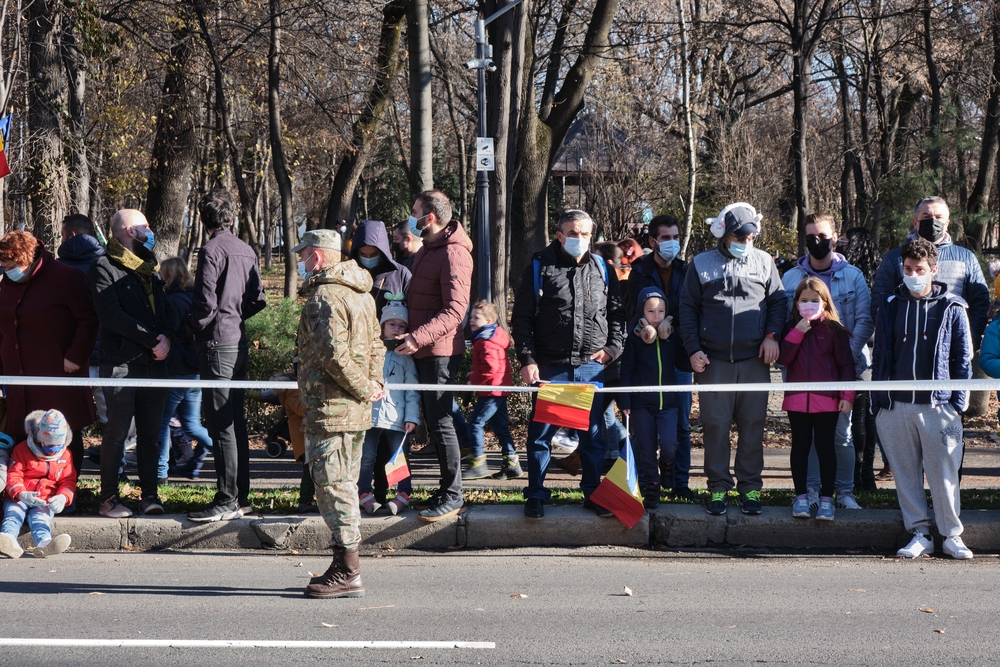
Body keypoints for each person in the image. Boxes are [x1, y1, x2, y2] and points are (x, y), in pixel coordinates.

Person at [511, 209, 626, 520]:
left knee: (594, 435)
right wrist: (528, 359)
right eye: (573, 233)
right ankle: (535, 494)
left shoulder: (603, 268)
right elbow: (521, 319)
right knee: (541, 436)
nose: (579, 239)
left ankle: (592, 493)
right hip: (551, 367)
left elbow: (617, 315)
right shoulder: (539, 267)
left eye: (585, 234)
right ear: (559, 235)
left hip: (592, 367)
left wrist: (612, 349)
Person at [679, 202, 787, 516]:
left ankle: (750, 488)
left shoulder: (766, 262)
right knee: (715, 426)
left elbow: (778, 304)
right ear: (725, 234)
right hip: (712, 362)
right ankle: (717, 488)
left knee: (753, 425)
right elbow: (687, 310)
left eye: (750, 238)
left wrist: (772, 336)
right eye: (740, 238)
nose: (745, 244)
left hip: (754, 360)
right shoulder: (700, 264)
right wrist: (693, 348)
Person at [293, 229, 383, 598]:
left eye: (303, 254)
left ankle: (348, 571)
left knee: (333, 487)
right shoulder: (360, 294)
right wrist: (372, 385)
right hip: (352, 408)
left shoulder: (325, 296)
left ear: (317, 256)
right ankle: (345, 563)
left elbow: (333, 355)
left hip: (332, 408)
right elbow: (377, 343)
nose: (300, 260)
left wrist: (364, 387)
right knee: (343, 485)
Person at [872, 237, 973, 559]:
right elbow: (881, 357)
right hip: (896, 405)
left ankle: (951, 535)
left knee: (944, 475)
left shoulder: (952, 307)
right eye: (907, 268)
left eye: (919, 269)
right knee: (905, 474)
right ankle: (919, 533)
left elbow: (962, 358)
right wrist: (879, 404)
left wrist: (955, 403)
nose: (913, 274)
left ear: (933, 270)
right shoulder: (889, 306)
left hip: (937, 407)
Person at [780, 213, 873, 511]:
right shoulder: (791, 278)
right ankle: (808, 492)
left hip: (845, 367)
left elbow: (864, 319)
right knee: (805, 441)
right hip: (800, 374)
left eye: (822, 236)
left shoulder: (853, 275)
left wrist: (845, 351)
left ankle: (843, 492)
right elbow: (784, 323)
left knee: (840, 435)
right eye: (811, 237)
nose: (817, 242)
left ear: (835, 237)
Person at [87, 209, 175, 518]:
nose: (150, 230)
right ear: (127, 230)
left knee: (151, 436)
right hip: (121, 364)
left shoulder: (149, 269)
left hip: (155, 365)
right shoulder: (103, 268)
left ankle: (149, 496)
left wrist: (167, 337)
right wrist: (152, 340)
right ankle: (109, 499)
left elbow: (166, 312)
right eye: (145, 226)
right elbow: (111, 316)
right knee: (117, 434)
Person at [187, 189, 267, 523]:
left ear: (204, 218)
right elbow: (258, 299)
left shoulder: (211, 249)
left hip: (217, 344)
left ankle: (227, 498)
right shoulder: (246, 249)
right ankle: (240, 496)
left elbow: (204, 304)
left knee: (221, 424)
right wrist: (233, 315)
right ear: (231, 217)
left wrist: (191, 328)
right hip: (238, 342)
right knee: (235, 421)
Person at [393, 190, 473, 522]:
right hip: (424, 349)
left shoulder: (454, 254)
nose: (411, 216)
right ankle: (446, 489)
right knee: (436, 422)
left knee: (441, 424)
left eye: (415, 212)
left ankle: (454, 494)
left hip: (438, 352)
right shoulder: (429, 248)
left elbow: (455, 311)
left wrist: (418, 337)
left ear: (430, 218)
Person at [0, 230, 99, 477]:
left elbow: (89, 320)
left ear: (26, 259)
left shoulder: (66, 277)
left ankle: (66, 487)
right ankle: (24, 488)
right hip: (18, 374)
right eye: (3, 266)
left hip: (57, 372)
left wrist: (75, 356)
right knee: (22, 432)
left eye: (11, 265)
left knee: (61, 430)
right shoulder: (6, 285)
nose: (6, 270)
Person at [625, 215, 695, 499]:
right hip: (646, 359)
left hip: (675, 356)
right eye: (666, 238)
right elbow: (634, 310)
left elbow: (691, 306)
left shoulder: (684, 270)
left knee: (680, 427)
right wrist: (649, 328)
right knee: (643, 433)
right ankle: (649, 485)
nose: (672, 243)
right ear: (653, 241)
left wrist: (673, 323)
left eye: (676, 237)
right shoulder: (639, 271)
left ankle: (679, 482)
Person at [779, 277, 855, 521]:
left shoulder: (835, 331)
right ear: (797, 302)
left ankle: (827, 499)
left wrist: (847, 397)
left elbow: (846, 366)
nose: (809, 304)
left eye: (814, 300)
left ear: (824, 303)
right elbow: (783, 358)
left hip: (827, 401)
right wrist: (798, 332)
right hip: (797, 400)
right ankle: (800, 497)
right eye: (804, 300)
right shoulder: (790, 327)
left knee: (826, 449)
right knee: (800, 447)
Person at [872, 196, 988, 349]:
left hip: (952, 347)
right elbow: (879, 303)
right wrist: (894, 342)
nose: (933, 221)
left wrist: (968, 342)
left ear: (947, 224)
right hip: (906, 350)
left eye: (939, 217)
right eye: (926, 217)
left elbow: (980, 302)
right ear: (915, 222)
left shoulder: (966, 258)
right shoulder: (894, 259)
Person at [351, 219, 411, 505]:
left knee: (392, 447)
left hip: (396, 361)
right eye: (363, 251)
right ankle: (366, 493)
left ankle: (397, 492)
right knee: (368, 447)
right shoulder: (350, 273)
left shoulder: (401, 275)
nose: (368, 257)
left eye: (373, 252)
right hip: (361, 360)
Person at [618, 286, 681, 510]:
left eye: (661, 311)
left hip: (668, 404)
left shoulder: (671, 338)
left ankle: (667, 465)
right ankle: (652, 487)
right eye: (651, 311)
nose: (656, 317)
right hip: (641, 405)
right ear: (641, 313)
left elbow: (683, 361)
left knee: (669, 444)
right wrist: (624, 401)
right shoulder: (634, 340)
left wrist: (677, 335)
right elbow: (625, 372)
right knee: (646, 448)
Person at [359, 298, 419, 515]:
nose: (396, 328)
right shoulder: (370, 352)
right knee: (366, 456)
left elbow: (412, 390)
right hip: (370, 415)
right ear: (382, 325)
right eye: (391, 324)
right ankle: (363, 492)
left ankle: (404, 493)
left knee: (399, 457)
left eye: (401, 325)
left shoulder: (406, 358)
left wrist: (412, 417)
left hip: (397, 417)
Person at [157, 258, 213, 481]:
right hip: (195, 370)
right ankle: (221, 453)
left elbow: (168, 334)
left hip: (176, 371)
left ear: (168, 274)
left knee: (161, 422)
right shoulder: (195, 299)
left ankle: (160, 472)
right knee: (192, 424)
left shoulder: (171, 301)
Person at [0, 410, 76, 559]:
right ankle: (8, 539)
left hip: (45, 500)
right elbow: (14, 475)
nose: (53, 451)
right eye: (49, 445)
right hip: (19, 497)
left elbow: (68, 480)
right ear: (40, 438)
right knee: (13, 515)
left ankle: (44, 543)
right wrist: (21, 493)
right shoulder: (22, 450)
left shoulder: (66, 455)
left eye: (57, 446)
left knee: (41, 519)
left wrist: (62, 498)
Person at [842, 226, 883, 489]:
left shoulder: (851, 276)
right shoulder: (880, 272)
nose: (841, 243)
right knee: (868, 416)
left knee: (858, 417)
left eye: (845, 240)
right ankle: (866, 474)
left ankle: (858, 475)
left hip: (861, 352)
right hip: (872, 353)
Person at [462, 300, 520, 480]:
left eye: (476, 318)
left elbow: (490, 368)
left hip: (492, 391)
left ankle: (478, 463)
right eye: (471, 317)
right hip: (498, 389)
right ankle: (512, 463)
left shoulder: (485, 341)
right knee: (500, 427)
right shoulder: (491, 337)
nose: (472, 321)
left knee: (475, 423)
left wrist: (473, 379)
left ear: (488, 321)